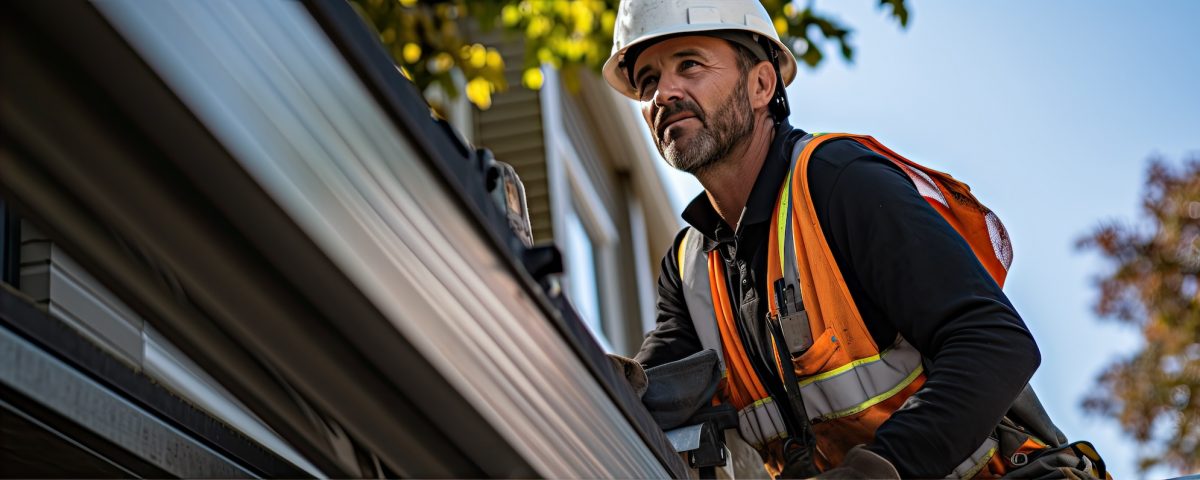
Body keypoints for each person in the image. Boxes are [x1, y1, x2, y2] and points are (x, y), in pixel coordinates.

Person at [600, 0, 1086, 478]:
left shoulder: (838, 182)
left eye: (689, 65)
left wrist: (879, 470)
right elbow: (648, 398)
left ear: (761, 85)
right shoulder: (689, 271)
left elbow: (997, 344)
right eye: (647, 81)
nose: (663, 94)